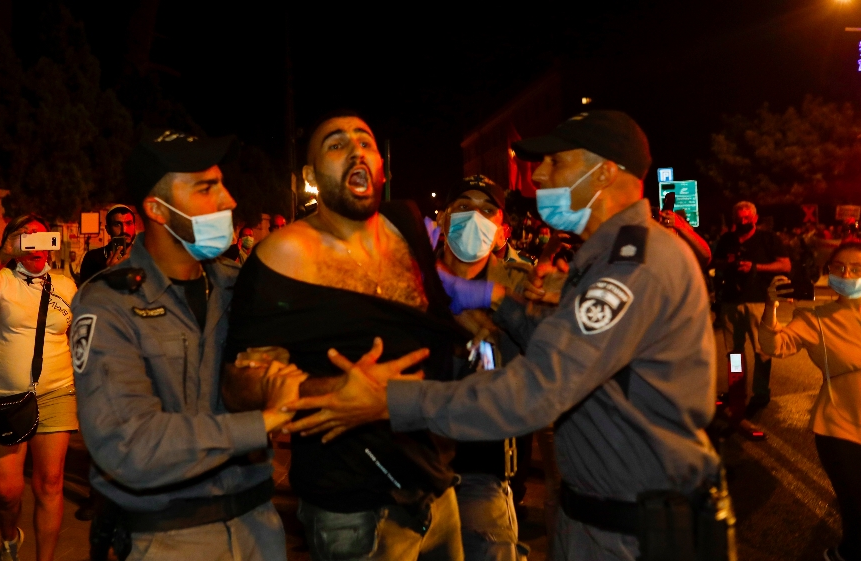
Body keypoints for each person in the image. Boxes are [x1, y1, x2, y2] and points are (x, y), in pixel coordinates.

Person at [282, 111, 730, 561]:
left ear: (605, 171)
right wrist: (500, 303)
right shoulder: (605, 259)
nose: (538, 175)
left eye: (555, 163)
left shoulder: (632, 268)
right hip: (601, 520)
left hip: (635, 531)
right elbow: (569, 346)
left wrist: (390, 401)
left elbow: (539, 387)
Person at [223, 112, 468, 561]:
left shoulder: (408, 225)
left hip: (437, 485)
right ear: (311, 176)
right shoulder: (284, 255)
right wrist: (335, 390)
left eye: (365, 142)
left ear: (380, 166)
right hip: (353, 512)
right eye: (336, 144)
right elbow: (238, 384)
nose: (355, 150)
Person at [71, 127, 301, 561]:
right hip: (167, 539)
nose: (229, 201)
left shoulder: (240, 289)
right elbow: (131, 443)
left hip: (261, 529)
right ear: (157, 209)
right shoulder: (108, 303)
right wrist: (266, 421)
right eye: (206, 188)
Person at [0, 214, 79, 561]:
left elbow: (77, 335)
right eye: (26, 237)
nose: (36, 243)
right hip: (5, 397)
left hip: (58, 391)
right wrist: (2, 255)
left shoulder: (66, 285)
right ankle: (9, 535)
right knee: (5, 492)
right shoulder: (0, 280)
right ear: (13, 244)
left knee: (50, 483)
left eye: (41, 236)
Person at [436, 174, 529, 561]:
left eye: (487, 209)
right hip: (412, 475)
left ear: (501, 229)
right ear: (442, 221)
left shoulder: (520, 286)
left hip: (484, 475)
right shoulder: (409, 280)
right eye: (463, 207)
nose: (475, 217)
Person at [758, 241, 861, 561]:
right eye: (838, 268)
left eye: (857, 269)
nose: (847, 274)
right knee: (855, 508)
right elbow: (774, 345)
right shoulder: (815, 319)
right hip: (840, 429)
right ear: (827, 272)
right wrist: (770, 308)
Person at [713, 201, 791, 412]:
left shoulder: (768, 239)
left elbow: (785, 264)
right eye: (739, 219)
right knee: (734, 352)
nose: (743, 222)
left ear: (756, 218)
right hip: (731, 301)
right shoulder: (727, 240)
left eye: (747, 218)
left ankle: (761, 392)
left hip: (759, 301)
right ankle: (737, 391)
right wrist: (728, 264)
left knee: (762, 350)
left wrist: (756, 267)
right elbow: (715, 263)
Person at [78, 205, 137, 285]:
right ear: (108, 229)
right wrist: (107, 272)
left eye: (129, 223)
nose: (124, 230)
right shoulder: (93, 258)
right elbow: (86, 294)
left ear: (134, 227)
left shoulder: (145, 256)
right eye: (117, 224)